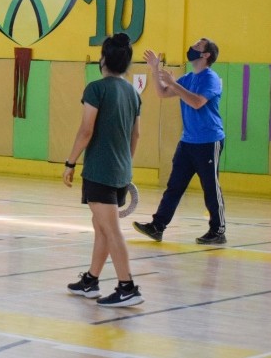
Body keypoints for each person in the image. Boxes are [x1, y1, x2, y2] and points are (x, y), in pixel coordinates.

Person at [63, 33, 144, 307]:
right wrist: (126, 164)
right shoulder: (133, 92)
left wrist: (70, 162)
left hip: (100, 170)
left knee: (111, 229)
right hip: (121, 171)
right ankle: (91, 280)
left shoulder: (96, 89)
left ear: (104, 59)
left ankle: (127, 287)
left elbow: (86, 130)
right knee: (101, 227)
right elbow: (136, 135)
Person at [133, 38, 226, 245]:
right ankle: (158, 226)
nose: (192, 47)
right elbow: (162, 92)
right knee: (174, 185)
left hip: (209, 140)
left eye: (197, 46)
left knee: (210, 186)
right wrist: (155, 70)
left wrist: (174, 83)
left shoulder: (211, 79)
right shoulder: (189, 77)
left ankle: (218, 230)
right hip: (188, 142)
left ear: (206, 55)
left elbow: (196, 102)